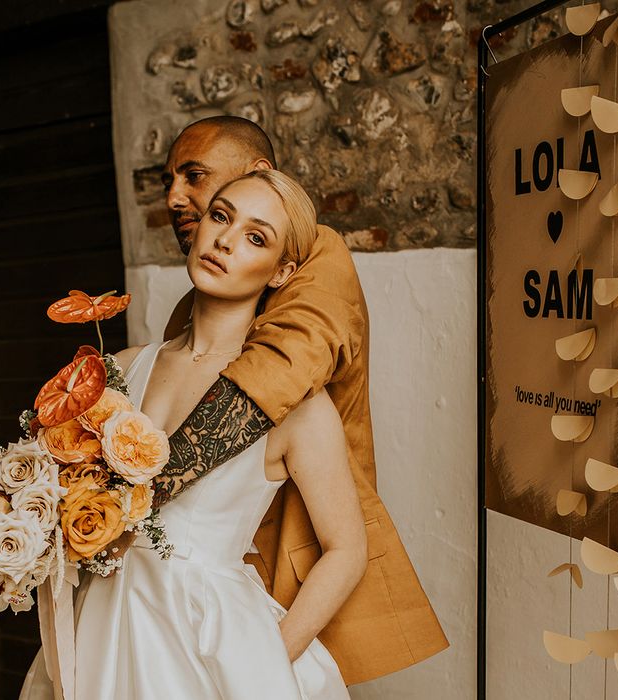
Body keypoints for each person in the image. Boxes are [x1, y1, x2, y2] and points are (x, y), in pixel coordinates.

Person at [21, 170, 366, 699]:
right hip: (98, 621)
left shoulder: (296, 405)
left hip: (207, 639)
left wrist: (268, 659)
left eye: (256, 237)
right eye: (220, 216)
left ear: (281, 272)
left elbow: (347, 549)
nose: (225, 240)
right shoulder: (119, 369)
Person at [155, 116, 448, 685]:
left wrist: (131, 495)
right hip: (190, 585)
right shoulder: (179, 319)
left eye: (195, 177)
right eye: (170, 180)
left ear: (259, 173)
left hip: (286, 557)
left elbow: (275, 373)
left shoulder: (319, 257)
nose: (175, 197)